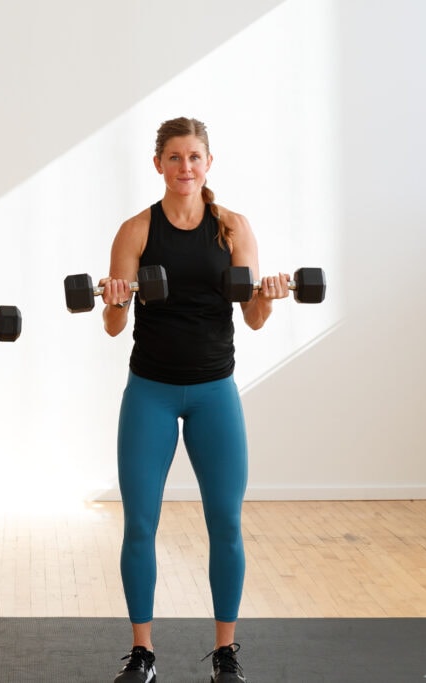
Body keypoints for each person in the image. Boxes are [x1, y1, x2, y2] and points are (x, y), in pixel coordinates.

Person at [101, 117, 291, 683]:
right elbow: (114, 326)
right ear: (158, 164)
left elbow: (253, 318)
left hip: (215, 393)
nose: (186, 167)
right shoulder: (136, 231)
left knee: (225, 524)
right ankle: (143, 652)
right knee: (140, 524)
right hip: (150, 393)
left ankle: (226, 654)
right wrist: (115, 297)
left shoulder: (232, 228)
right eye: (175, 157)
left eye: (195, 157)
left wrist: (269, 295)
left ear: (209, 164)